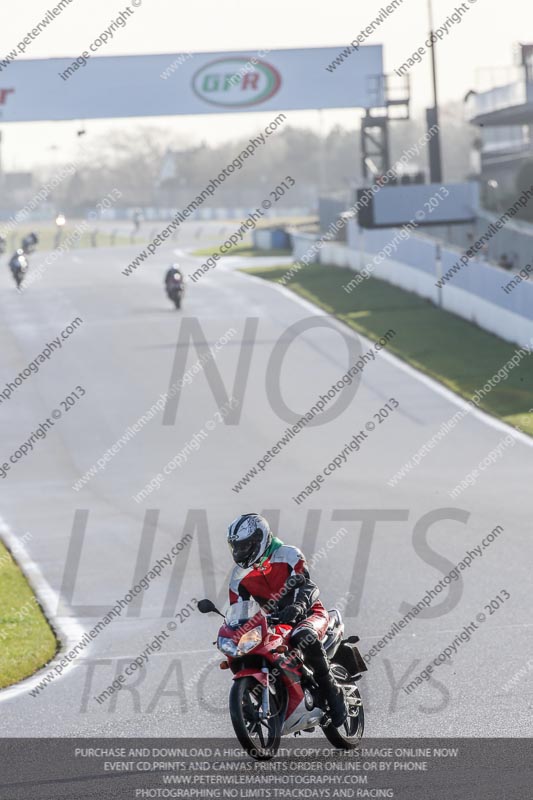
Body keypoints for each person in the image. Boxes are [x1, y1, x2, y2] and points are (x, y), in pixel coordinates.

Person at [227, 513, 347, 727]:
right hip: (273, 622)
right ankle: (277, 697)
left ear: (259, 539)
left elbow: (307, 585)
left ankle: (332, 690)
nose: (239, 552)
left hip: (310, 613)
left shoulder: (288, 554)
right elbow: (238, 609)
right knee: (246, 648)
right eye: (236, 547)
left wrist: (298, 606)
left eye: (245, 546)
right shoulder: (238, 576)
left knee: (304, 635)